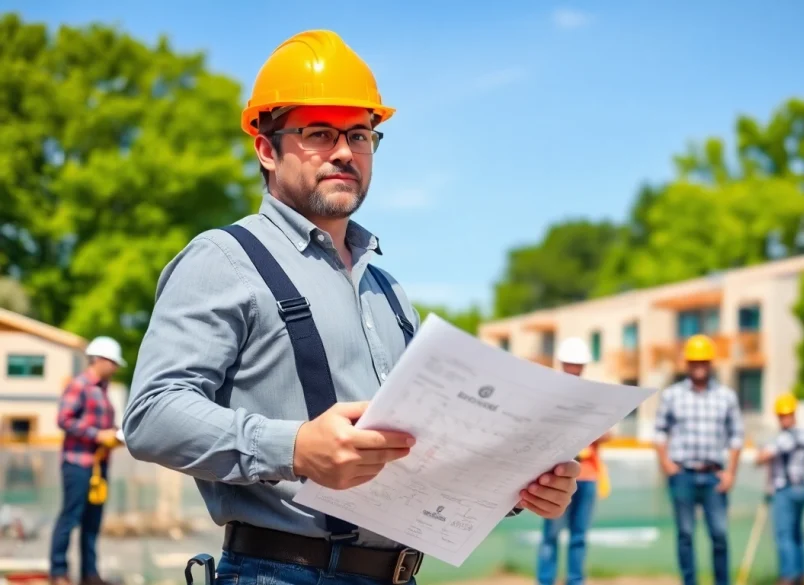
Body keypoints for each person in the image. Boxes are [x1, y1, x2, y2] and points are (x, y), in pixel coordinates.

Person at [122, 29, 579, 585]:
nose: (344, 151)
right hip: (281, 573)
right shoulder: (223, 259)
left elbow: (420, 453)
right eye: (319, 133)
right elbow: (151, 415)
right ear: (266, 148)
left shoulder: (388, 292)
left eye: (359, 134)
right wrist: (294, 447)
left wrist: (517, 489)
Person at [652, 334, 743, 585]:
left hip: (715, 476)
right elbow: (659, 431)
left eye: (703, 361)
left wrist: (731, 473)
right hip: (683, 475)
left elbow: (736, 436)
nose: (699, 366)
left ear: (711, 363)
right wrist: (666, 464)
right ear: (687, 364)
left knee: (720, 534)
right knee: (685, 534)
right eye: (694, 361)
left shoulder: (726, 396)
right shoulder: (672, 395)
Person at [536, 337, 613, 585]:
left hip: (587, 476)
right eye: (569, 364)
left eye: (577, 365)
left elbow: (609, 434)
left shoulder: (596, 396)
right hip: (556, 477)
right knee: (551, 535)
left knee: (579, 536)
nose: (573, 369)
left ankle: (575, 581)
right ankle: (546, 580)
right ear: (562, 364)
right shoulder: (551, 396)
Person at [50, 336, 126, 585]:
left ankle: (89, 574)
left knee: (92, 520)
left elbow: (101, 426)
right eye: (113, 362)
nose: (115, 368)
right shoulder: (79, 385)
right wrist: (97, 434)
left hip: (98, 465)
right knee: (70, 517)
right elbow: (64, 419)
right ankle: (58, 573)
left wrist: (114, 435)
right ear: (100, 359)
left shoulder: (102, 390)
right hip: (77, 464)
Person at [756, 394, 804, 585]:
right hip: (802, 490)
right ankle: (801, 576)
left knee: (784, 535)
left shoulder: (784, 439)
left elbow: (763, 457)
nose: (783, 419)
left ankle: (787, 577)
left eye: (784, 415)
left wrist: (761, 451)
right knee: (797, 535)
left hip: (785, 491)